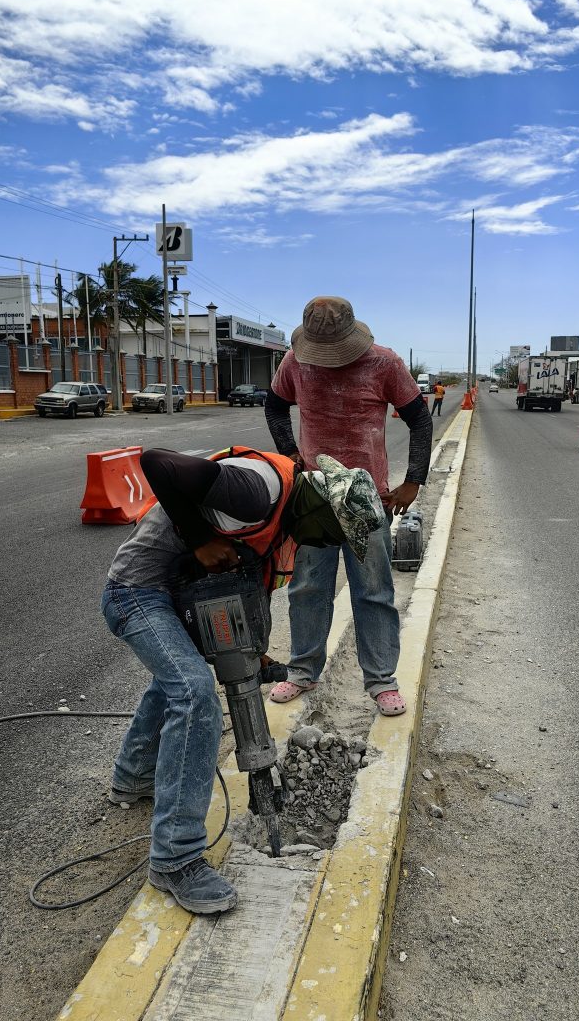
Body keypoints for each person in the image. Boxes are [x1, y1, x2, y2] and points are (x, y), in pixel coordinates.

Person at [101, 445, 384, 915]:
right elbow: (158, 463)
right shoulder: (257, 493)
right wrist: (198, 540)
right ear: (320, 511)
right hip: (137, 592)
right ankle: (174, 859)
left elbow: (244, 589)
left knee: (178, 679)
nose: (324, 545)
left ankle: (133, 777)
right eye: (332, 534)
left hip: (180, 593)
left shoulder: (284, 521)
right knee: (194, 693)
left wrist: (252, 650)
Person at [264, 295, 433, 718]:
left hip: (367, 499)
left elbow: (419, 418)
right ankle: (303, 671)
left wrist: (413, 481)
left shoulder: (384, 363)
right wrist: (290, 453)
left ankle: (381, 680)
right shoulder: (295, 362)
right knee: (307, 588)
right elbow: (275, 406)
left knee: (373, 590)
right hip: (314, 498)